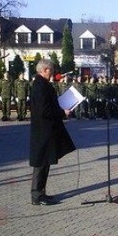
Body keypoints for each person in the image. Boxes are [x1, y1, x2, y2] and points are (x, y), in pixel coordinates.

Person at [29, 59, 76, 206]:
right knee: (41, 162)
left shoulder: (43, 84)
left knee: (46, 161)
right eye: (51, 70)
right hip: (43, 130)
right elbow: (45, 110)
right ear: (44, 70)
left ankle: (41, 192)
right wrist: (62, 111)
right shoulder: (40, 86)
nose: (53, 72)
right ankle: (36, 195)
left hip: (47, 129)